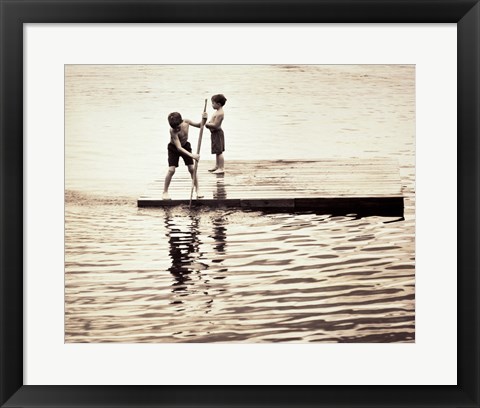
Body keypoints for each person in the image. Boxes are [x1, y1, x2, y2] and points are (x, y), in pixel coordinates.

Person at [162, 111, 207, 200]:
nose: (176, 129)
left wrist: (204, 119)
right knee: (171, 170)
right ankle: (165, 192)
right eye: (174, 127)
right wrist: (192, 155)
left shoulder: (186, 122)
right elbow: (178, 147)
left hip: (185, 145)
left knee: (192, 168)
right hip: (174, 148)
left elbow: (200, 125)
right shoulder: (172, 131)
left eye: (178, 127)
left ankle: (198, 189)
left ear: (181, 121)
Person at [206, 94, 227, 174]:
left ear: (218, 104)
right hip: (214, 133)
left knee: (219, 151)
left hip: (217, 133)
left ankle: (221, 168)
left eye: (213, 103)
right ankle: (217, 166)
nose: (212, 105)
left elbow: (216, 125)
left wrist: (207, 124)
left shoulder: (220, 113)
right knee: (216, 150)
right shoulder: (217, 112)